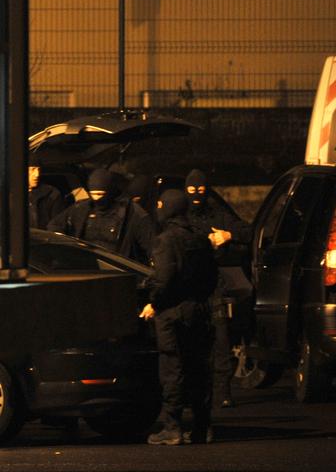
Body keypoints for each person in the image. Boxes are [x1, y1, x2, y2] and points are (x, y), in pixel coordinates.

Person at [140, 189, 218, 446]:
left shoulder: (166, 240)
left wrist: (154, 302)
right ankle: (202, 426)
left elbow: (164, 279)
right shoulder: (200, 238)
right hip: (200, 310)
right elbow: (212, 277)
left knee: (172, 369)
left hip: (173, 313)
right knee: (199, 369)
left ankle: (172, 427)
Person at [184, 168, 254, 408]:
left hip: (213, 283)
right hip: (188, 284)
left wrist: (228, 234)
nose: (196, 195)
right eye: (191, 190)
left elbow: (247, 231)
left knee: (220, 337)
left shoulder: (217, 212)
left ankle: (222, 390)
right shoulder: (181, 215)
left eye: (201, 190)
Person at [47, 168, 154, 264]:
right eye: (93, 194)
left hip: (117, 268)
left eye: (100, 194)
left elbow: (151, 244)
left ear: (110, 192)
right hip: (86, 265)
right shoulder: (82, 208)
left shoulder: (131, 212)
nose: (96, 199)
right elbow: (55, 225)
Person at [27, 161, 65, 229]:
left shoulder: (52, 193)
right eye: (32, 169)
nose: (37, 174)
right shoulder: (9, 194)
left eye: (38, 169)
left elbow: (57, 225)